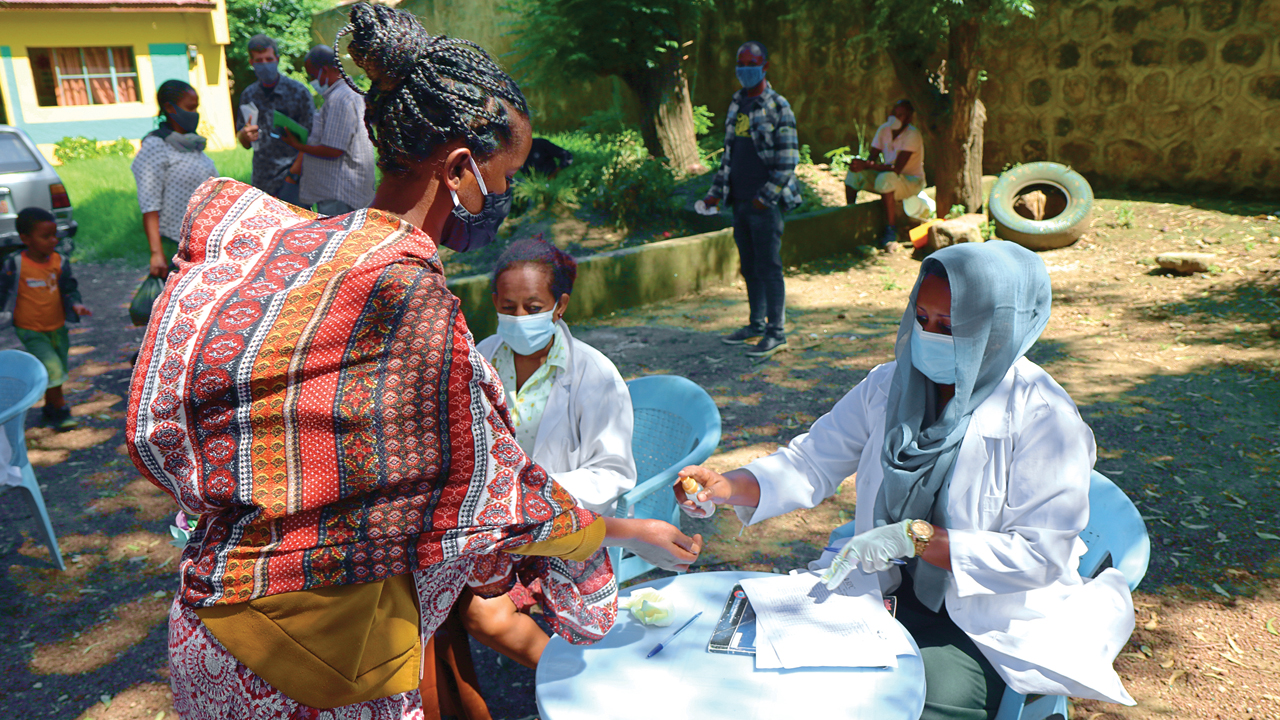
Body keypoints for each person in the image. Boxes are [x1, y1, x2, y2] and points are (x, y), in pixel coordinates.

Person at [127, 6, 701, 718]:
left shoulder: (308, 248)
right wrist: (618, 534)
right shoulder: (408, 302)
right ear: (460, 169)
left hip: (208, 630)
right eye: (505, 176)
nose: (504, 199)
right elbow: (504, 500)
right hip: (315, 670)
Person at [677, 241, 1135, 720]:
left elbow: (1038, 556)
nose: (930, 338)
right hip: (884, 596)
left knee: (897, 702)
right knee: (780, 675)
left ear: (1001, 329)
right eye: (922, 319)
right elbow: (812, 461)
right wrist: (727, 485)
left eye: (951, 327)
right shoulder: (890, 386)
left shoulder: (1044, 418)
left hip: (987, 622)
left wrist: (915, 539)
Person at [457, 237, 636, 675]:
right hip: (495, 526)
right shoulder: (480, 359)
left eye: (533, 307)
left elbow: (613, 471)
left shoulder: (593, 374)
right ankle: (566, 677)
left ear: (560, 306)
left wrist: (534, 496)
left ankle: (576, 678)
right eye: (509, 306)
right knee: (460, 607)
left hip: (564, 525)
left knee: (499, 614)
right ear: (494, 303)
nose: (520, 318)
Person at [701, 41, 801, 359]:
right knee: (749, 267)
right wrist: (716, 192)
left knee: (769, 267)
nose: (745, 69)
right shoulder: (737, 103)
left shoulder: (778, 106)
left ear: (765, 66)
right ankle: (756, 323)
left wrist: (765, 198)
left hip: (764, 204)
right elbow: (729, 156)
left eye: (751, 62)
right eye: (740, 62)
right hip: (739, 201)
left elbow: (788, 160)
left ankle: (777, 331)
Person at [0, 208, 91, 430]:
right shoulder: (14, 264)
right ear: (25, 239)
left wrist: (75, 304)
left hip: (57, 326)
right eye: (45, 236)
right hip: (29, 328)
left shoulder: (59, 261)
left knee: (59, 365)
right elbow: (2, 291)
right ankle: (60, 410)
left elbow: (69, 288)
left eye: (55, 235)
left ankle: (49, 408)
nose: (53, 241)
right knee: (53, 368)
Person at [131, 80, 218, 279]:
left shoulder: (193, 145)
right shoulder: (156, 147)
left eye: (196, 108)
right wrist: (156, 253)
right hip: (174, 244)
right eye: (190, 108)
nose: (195, 114)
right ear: (170, 107)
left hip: (204, 244)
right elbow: (149, 205)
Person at [283, 44, 376, 215]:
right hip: (343, 190)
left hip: (340, 193)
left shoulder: (340, 98)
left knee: (338, 237)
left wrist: (298, 145)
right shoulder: (345, 94)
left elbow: (333, 150)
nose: (312, 81)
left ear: (324, 71)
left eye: (312, 75)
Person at [234, 34, 313, 201]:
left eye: (268, 59)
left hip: (293, 179)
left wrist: (293, 176)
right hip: (261, 180)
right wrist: (245, 135)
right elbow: (243, 140)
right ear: (251, 63)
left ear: (277, 59)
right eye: (259, 60)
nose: (264, 64)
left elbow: (311, 139)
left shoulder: (299, 92)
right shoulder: (248, 95)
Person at [846, 100, 926, 251]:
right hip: (889, 179)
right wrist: (861, 165)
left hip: (910, 182)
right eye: (893, 114)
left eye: (900, 115)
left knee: (886, 178)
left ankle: (891, 230)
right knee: (855, 173)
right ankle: (850, 214)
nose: (895, 118)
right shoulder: (884, 130)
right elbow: (872, 158)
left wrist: (868, 165)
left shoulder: (912, 135)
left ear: (908, 119)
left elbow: (897, 169)